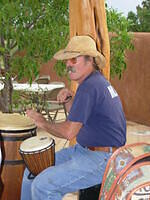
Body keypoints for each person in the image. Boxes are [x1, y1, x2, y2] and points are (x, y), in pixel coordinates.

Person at [21, 35, 126, 200]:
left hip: (101, 158)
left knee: (43, 186)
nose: (68, 64)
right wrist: (70, 99)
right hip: (85, 151)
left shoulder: (90, 87)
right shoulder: (94, 82)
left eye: (74, 59)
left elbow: (69, 132)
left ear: (89, 60)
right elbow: (79, 119)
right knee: (32, 172)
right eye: (67, 60)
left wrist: (41, 121)